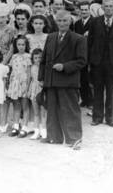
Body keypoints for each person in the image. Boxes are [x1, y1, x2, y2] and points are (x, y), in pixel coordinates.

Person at [39, 10, 87, 149]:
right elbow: (44, 58)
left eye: (65, 20)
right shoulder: (51, 37)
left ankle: (75, 139)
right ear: (55, 21)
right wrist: (42, 77)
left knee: (70, 109)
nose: (62, 23)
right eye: (59, 21)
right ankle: (54, 137)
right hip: (51, 80)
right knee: (52, 109)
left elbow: (82, 61)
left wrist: (64, 66)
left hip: (68, 80)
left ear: (70, 21)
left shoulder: (78, 39)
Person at [88, 0, 113, 127]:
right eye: (106, 6)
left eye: (111, 6)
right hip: (97, 62)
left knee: (111, 91)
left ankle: (110, 119)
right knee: (98, 90)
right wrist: (90, 61)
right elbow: (90, 42)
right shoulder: (95, 22)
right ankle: (97, 117)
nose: (109, 8)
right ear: (102, 8)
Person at [7, 35, 32, 138]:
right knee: (16, 106)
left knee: (25, 106)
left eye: (23, 44)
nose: (21, 46)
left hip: (24, 82)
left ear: (26, 45)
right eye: (19, 44)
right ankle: (16, 126)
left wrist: (28, 86)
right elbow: (11, 71)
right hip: (15, 83)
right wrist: (10, 83)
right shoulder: (14, 56)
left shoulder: (28, 56)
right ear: (15, 45)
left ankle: (25, 127)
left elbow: (29, 73)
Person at [74, 1, 93, 108]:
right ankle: (84, 99)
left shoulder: (94, 22)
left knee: (89, 79)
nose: (84, 11)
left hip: (90, 54)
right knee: (81, 78)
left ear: (89, 10)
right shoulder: (77, 24)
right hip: (80, 54)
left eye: (86, 9)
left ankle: (91, 101)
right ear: (79, 11)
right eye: (82, 10)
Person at [28, 48, 47, 140]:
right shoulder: (31, 67)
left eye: (40, 57)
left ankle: (44, 131)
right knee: (36, 112)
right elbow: (29, 79)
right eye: (35, 58)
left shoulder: (45, 68)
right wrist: (28, 91)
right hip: (33, 90)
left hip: (42, 91)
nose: (38, 60)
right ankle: (36, 131)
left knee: (43, 112)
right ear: (32, 59)